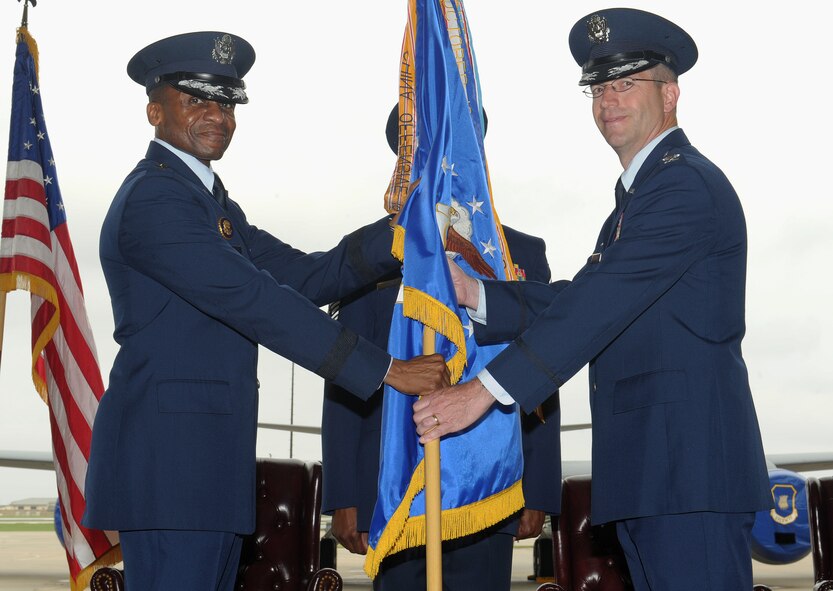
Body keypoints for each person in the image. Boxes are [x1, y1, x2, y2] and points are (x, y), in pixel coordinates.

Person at [413, 8, 771, 590]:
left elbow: (598, 303)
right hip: (654, 473)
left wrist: (483, 393)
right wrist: (474, 291)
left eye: (627, 84)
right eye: (599, 89)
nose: (609, 102)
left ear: (671, 93)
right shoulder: (638, 199)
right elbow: (581, 298)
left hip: (688, 472)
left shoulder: (683, 187)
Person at [82, 31, 447, 591]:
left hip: (206, 471)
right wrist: (387, 370)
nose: (217, 115)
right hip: (171, 472)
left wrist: (402, 231)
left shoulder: (211, 204)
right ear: (155, 110)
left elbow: (306, 274)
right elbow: (254, 299)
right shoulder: (156, 200)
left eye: (226, 102)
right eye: (196, 99)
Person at [321, 106, 562, 590]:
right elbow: (345, 379)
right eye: (424, 154)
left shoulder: (519, 255)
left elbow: (542, 372)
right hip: (394, 485)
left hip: (491, 482)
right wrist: (345, 493)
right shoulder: (370, 255)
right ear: (403, 162)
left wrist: (538, 486)